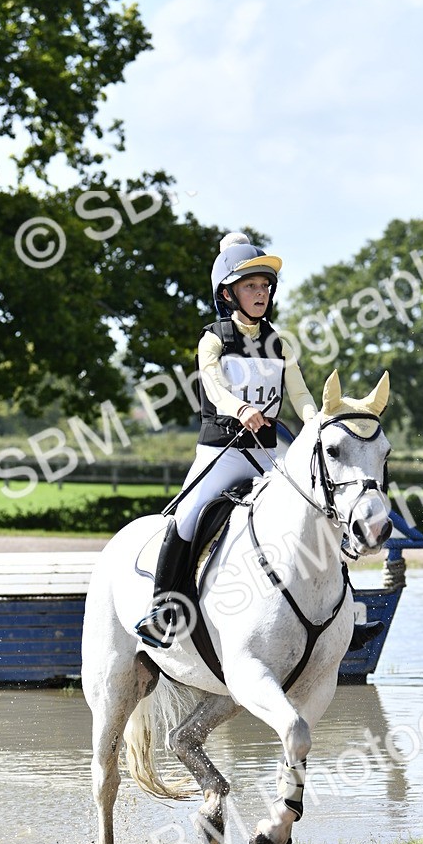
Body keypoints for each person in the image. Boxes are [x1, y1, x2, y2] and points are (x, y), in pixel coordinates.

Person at [135, 232, 319, 648]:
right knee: (184, 519)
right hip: (222, 453)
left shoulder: (279, 342)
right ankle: (164, 610)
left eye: (265, 286)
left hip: (270, 452)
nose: (262, 293)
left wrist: (315, 421)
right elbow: (215, 387)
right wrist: (240, 409)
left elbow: (301, 393)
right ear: (228, 294)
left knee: (319, 510)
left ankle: (340, 610)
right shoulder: (213, 338)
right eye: (251, 286)